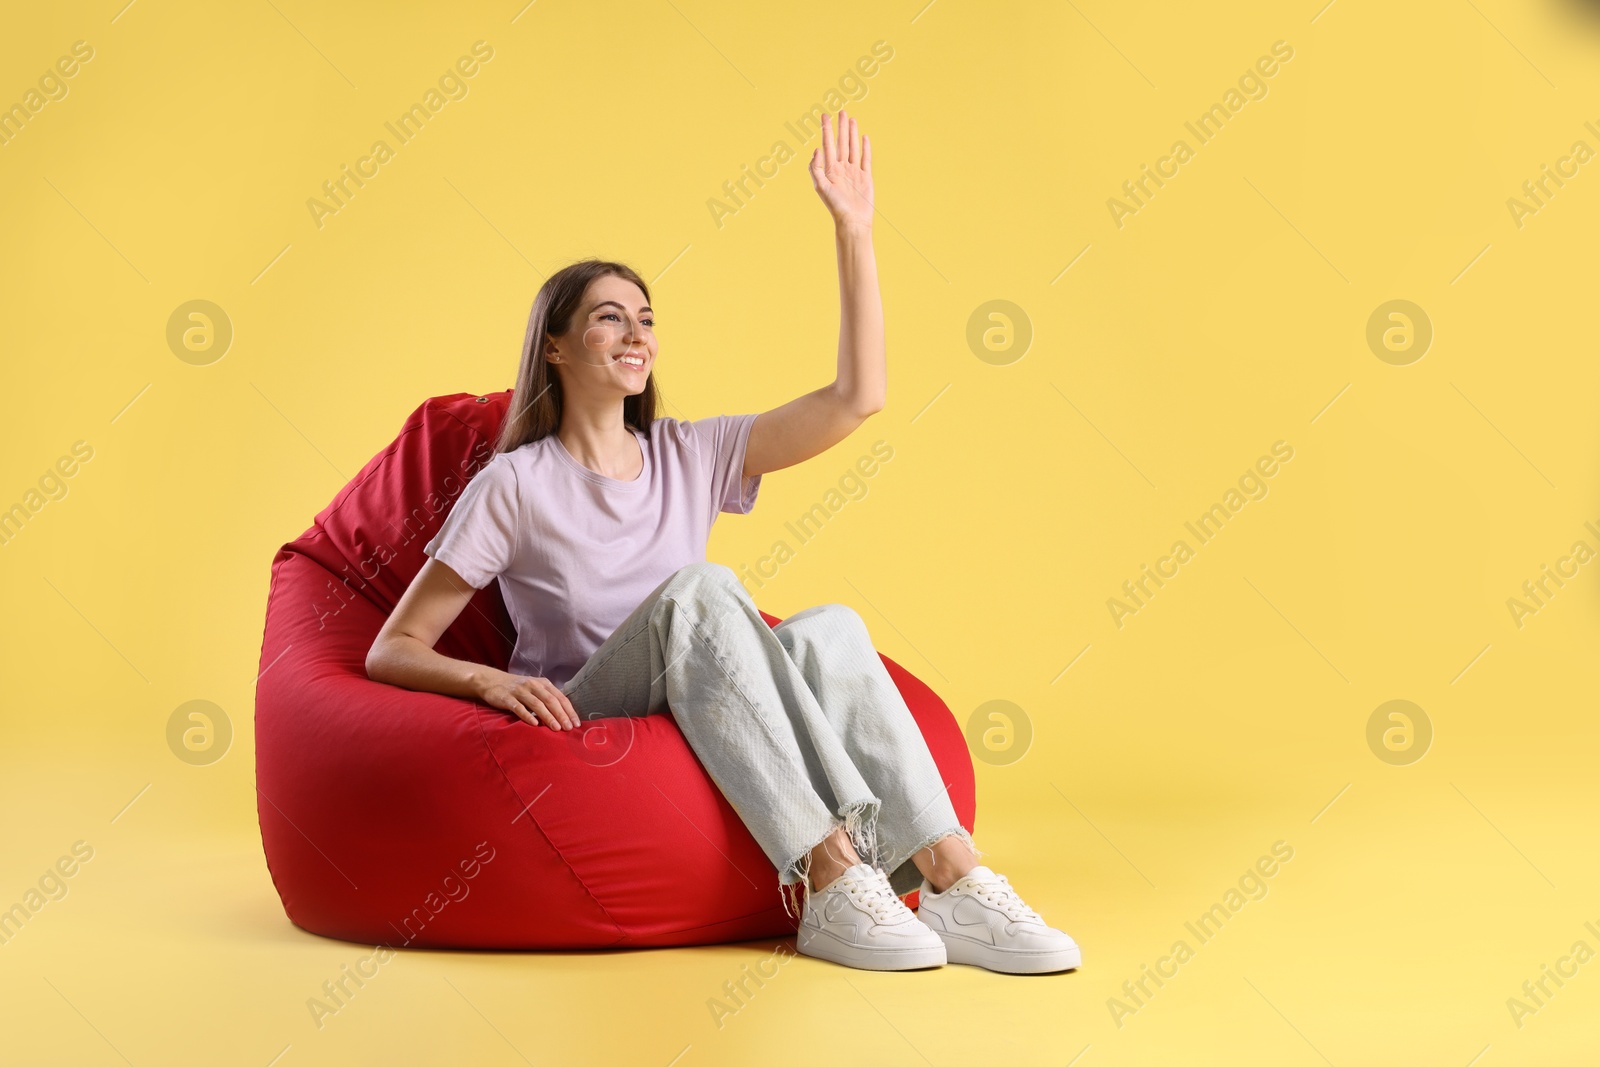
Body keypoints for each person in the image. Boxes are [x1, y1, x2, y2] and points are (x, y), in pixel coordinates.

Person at [365, 110, 1079, 974]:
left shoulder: (687, 451)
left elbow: (858, 397)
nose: (638, 335)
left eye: (646, 318)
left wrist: (855, 233)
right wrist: (491, 678)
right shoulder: (515, 484)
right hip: (591, 708)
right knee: (702, 589)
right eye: (608, 318)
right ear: (554, 347)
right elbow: (391, 648)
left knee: (833, 628)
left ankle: (950, 874)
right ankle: (829, 880)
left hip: (703, 694)